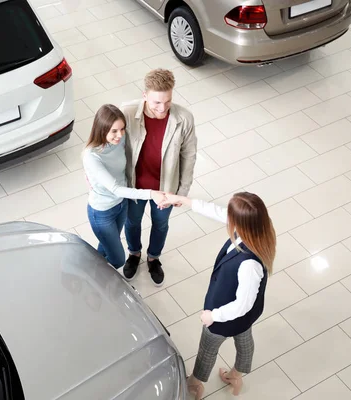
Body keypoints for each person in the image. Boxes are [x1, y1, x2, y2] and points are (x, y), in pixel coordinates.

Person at [160, 192, 276, 398]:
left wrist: (213, 316)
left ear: (241, 223)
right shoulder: (258, 229)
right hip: (244, 316)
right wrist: (184, 201)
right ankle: (236, 376)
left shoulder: (249, 264)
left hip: (226, 313)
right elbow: (217, 212)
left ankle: (195, 385)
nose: (227, 218)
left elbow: (241, 305)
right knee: (244, 340)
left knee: (207, 349)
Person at [121, 68, 198, 286]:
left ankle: (154, 258)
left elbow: (189, 156)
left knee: (161, 224)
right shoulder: (126, 113)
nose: (162, 108)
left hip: (166, 189)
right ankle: (134, 254)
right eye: (156, 103)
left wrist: (182, 193)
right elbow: (108, 144)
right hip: (135, 187)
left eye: (167, 101)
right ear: (144, 95)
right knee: (132, 222)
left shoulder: (184, 118)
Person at [83, 104, 167, 270]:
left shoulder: (120, 141)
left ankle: (96, 274)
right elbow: (115, 188)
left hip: (121, 205)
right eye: (114, 131)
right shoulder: (91, 156)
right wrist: (152, 194)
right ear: (102, 129)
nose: (120, 135)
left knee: (105, 246)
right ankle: (98, 274)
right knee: (118, 259)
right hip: (102, 212)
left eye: (122, 129)